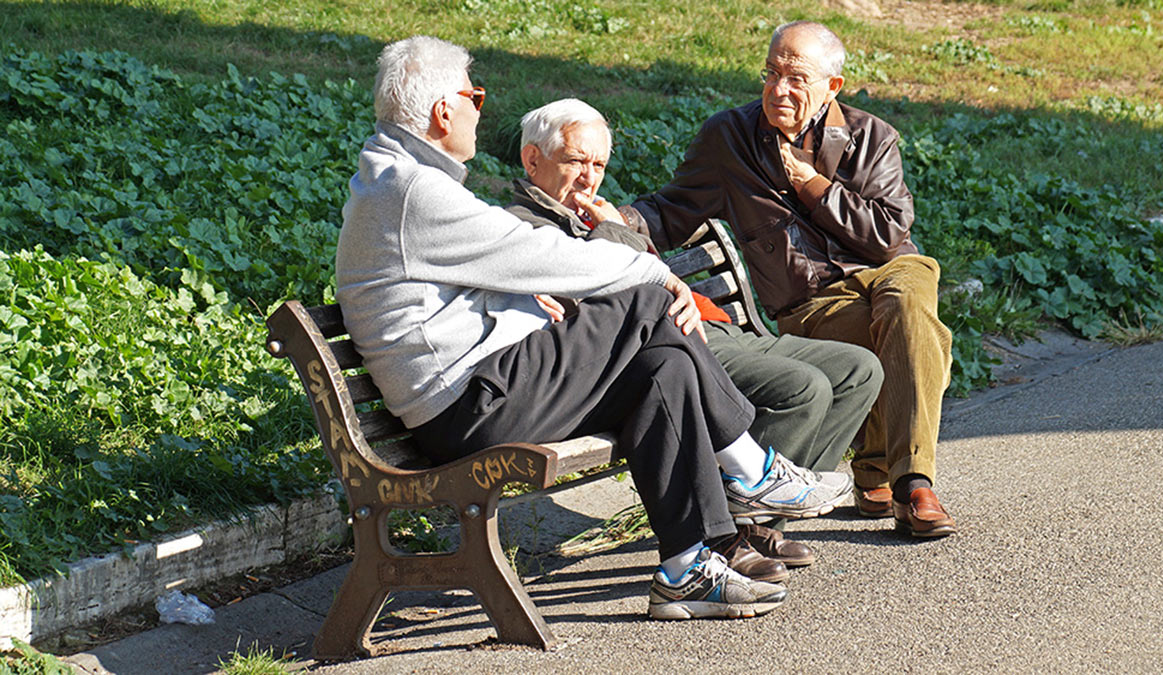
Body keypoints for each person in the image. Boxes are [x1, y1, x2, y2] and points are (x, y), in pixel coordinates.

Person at [335, 36, 843, 620]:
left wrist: (527, 304)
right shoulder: (410, 189)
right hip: (465, 408)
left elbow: (465, 281)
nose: (481, 108)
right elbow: (536, 254)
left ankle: (686, 569)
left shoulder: (400, 179)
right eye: (474, 95)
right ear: (441, 111)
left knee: (663, 368)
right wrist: (657, 272)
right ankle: (754, 472)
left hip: (477, 391)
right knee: (645, 303)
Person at [506, 98, 881, 569]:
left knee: (859, 369)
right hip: (665, 347)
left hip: (708, 325)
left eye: (599, 164)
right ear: (532, 159)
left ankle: (756, 521)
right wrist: (613, 232)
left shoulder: (589, 214)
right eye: (577, 161)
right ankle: (735, 533)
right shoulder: (521, 228)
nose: (590, 177)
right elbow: (595, 301)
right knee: (802, 389)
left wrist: (611, 229)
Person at [624, 21, 958, 537]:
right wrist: (614, 220)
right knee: (898, 334)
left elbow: (890, 236)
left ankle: (913, 481)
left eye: (797, 78)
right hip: (814, 302)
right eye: (772, 73)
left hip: (890, 271)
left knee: (909, 301)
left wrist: (815, 187)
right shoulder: (729, 138)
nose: (780, 89)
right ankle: (875, 468)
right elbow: (673, 209)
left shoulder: (871, 137)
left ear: (833, 87)